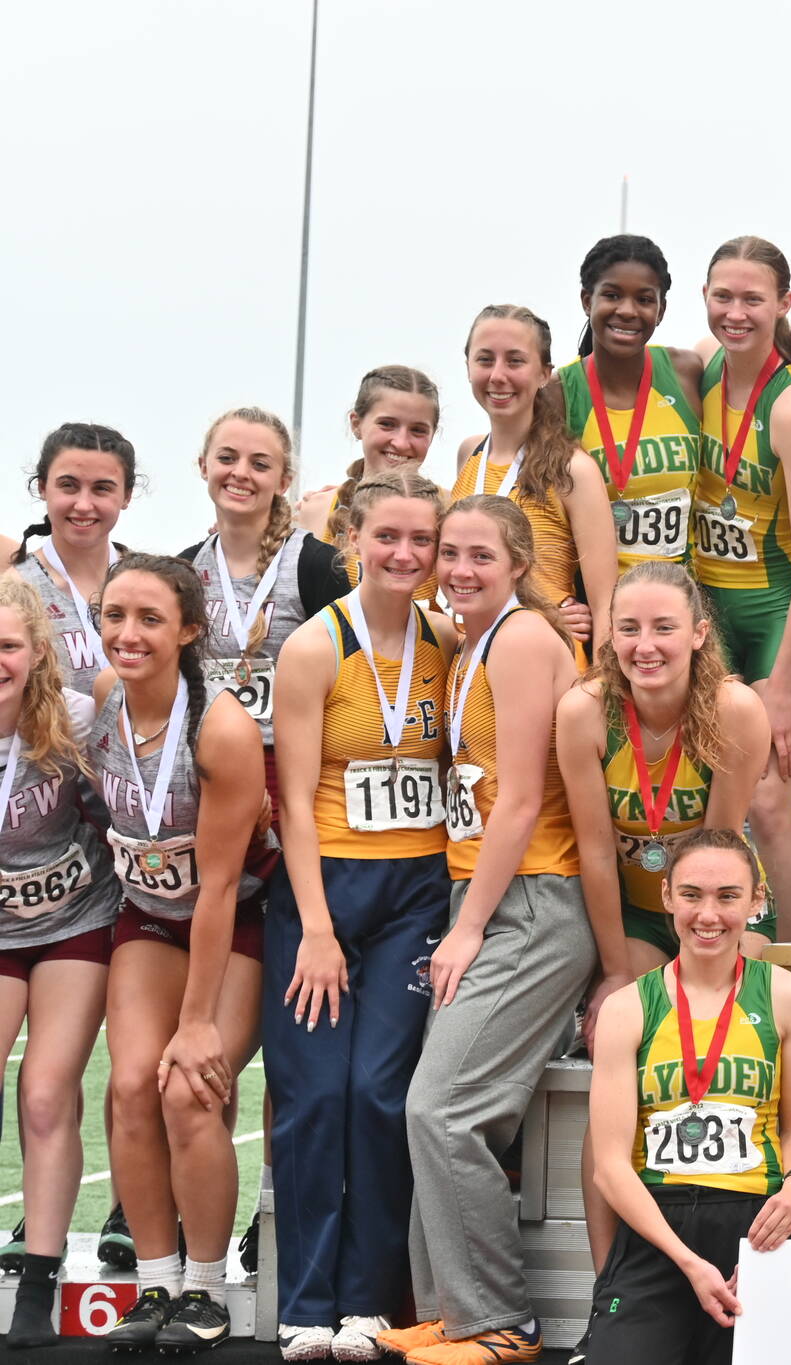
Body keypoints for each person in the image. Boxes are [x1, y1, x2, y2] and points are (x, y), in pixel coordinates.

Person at [376, 495, 592, 1365]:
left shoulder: (526, 638)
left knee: (444, 1109)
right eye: (451, 554)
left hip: (531, 902)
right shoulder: (471, 642)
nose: (460, 570)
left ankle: (502, 1319)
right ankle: (451, 1311)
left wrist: (465, 928)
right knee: (433, 1108)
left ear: (519, 565)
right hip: (486, 893)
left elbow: (523, 799)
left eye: (481, 556)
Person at [262, 469, 456, 1360]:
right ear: (353, 540)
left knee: (382, 1095)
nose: (405, 554)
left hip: (415, 891)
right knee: (313, 1096)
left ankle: (369, 1302)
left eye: (422, 540)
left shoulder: (447, 638)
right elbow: (294, 802)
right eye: (388, 537)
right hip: (325, 891)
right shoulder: (314, 647)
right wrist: (315, 927)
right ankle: (305, 1302)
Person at [557, 561, 771, 1300]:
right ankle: (608, 1291)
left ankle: (737, 1262)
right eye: (628, 629)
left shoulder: (734, 709)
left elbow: (721, 849)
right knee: (625, 1039)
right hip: (631, 911)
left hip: (715, 903)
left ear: (700, 634)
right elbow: (594, 851)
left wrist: (703, 942)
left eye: (663, 628)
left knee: (716, 1016)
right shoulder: (586, 711)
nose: (644, 645)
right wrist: (616, 969)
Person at [91, 555, 272, 1352]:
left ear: (190, 630)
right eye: (114, 615)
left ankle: (206, 1287)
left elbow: (221, 886)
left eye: (150, 619)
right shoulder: (104, 698)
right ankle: (156, 1283)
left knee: (188, 1087)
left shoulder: (220, 729)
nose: (128, 634)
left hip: (234, 921)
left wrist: (196, 1020)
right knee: (132, 1084)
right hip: (150, 915)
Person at [578, 827, 791, 1365]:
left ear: (756, 901)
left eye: (728, 896)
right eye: (692, 894)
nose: (708, 915)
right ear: (667, 895)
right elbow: (609, 1167)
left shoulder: (788, 995)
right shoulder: (627, 1007)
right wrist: (688, 1262)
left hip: (756, 1226)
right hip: (657, 1224)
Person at [692, 236, 791, 941]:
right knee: (706, 797)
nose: (736, 312)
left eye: (753, 299)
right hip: (707, 612)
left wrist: (780, 689)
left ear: (783, 304)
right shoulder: (699, 369)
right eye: (723, 296)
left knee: (771, 802)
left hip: (776, 612)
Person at [0, 576, 121, 1348]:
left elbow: (135, 804)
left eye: (8, 645)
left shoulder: (74, 719)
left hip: (75, 920)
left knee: (45, 1093)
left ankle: (38, 1281)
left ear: (38, 652)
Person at [178, 406, 349, 806]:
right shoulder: (185, 569)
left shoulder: (317, 565)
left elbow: (346, 680)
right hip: (204, 765)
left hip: (290, 769)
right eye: (227, 458)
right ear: (204, 466)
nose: (240, 473)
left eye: (259, 464)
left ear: (284, 480)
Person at [451, 304, 618, 657]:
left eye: (515, 361)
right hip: (472, 658)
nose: (498, 375)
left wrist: (602, 684)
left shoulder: (572, 469)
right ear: (467, 366)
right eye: (485, 360)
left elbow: (605, 603)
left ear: (544, 373)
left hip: (547, 659)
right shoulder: (469, 455)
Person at [558, 234, 706, 578]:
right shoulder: (557, 394)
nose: (627, 310)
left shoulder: (687, 372)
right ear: (587, 301)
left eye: (644, 299)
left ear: (661, 310)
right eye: (612, 295)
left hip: (683, 597)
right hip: (600, 597)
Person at [8, 423, 135, 694]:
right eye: (68, 486)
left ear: (126, 496)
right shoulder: (13, 593)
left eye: (102, 488)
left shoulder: (156, 583)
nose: (83, 505)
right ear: (42, 487)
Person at [297, 365, 442, 579]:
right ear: (356, 424)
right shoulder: (318, 509)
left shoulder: (448, 511)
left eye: (417, 430)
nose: (401, 443)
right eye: (387, 424)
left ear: (433, 434)